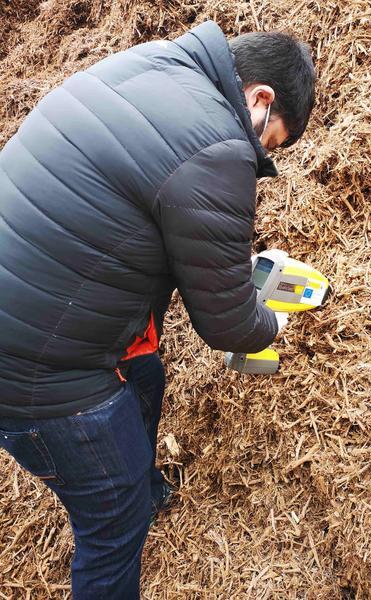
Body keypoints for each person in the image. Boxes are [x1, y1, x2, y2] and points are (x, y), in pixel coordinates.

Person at [0, 20, 315, 599]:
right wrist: (273, 321)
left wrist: (225, 263)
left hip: (31, 297)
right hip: (35, 371)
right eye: (270, 143)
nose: (260, 155)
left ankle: (141, 484)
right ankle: (128, 497)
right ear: (260, 98)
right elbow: (227, 323)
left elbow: (130, 202)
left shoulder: (152, 65)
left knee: (146, 370)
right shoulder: (219, 146)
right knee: (113, 523)